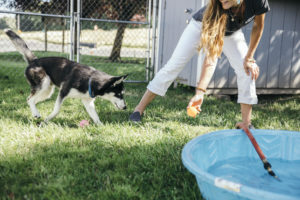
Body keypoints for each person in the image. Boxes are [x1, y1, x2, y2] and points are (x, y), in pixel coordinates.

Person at [129, 0, 270, 129]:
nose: (221, 0)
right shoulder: (217, 8)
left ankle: (246, 123)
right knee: (174, 66)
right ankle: (138, 110)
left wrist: (249, 58)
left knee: (247, 69)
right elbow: (211, 57)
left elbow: (258, 26)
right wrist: (199, 93)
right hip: (201, 25)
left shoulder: (258, 1)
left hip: (232, 33)